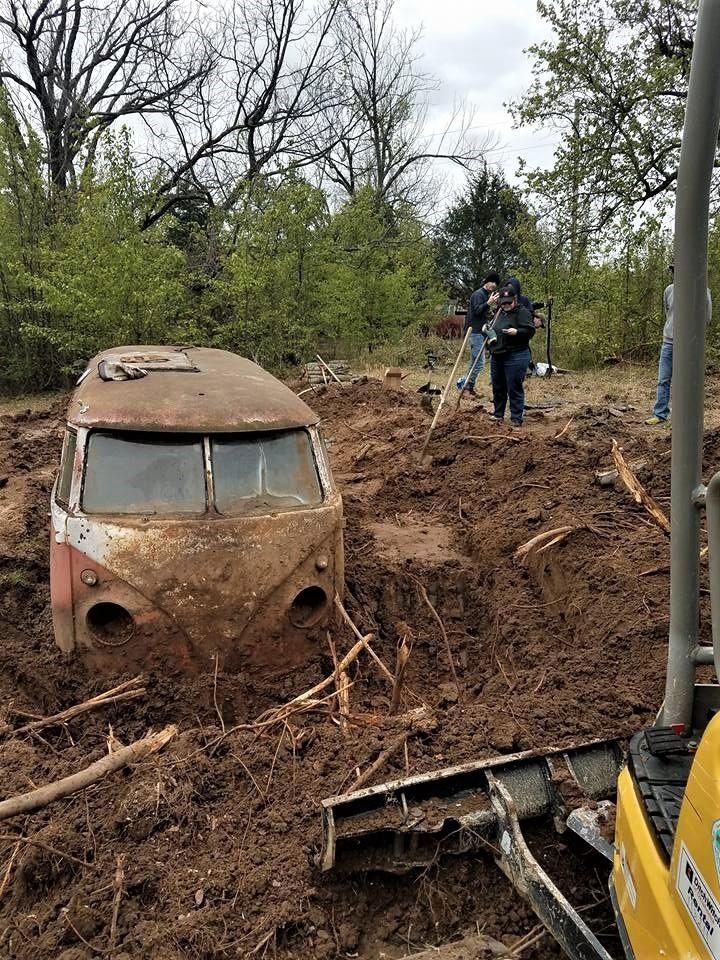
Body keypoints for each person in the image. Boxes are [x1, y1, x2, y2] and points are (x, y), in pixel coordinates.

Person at [645, 264, 712, 425]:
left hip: (689, 345)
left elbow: (707, 316)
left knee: (686, 380)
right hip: (668, 342)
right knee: (663, 379)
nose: (676, 274)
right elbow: (669, 313)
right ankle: (660, 414)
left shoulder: (702, 290)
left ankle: (686, 416)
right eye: (674, 271)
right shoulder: (669, 290)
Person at [486, 284, 536, 426]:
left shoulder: (523, 312)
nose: (506, 305)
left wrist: (517, 332)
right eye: (503, 302)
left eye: (509, 302)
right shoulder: (499, 312)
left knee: (514, 386)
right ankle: (498, 414)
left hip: (516, 355)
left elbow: (530, 331)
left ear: (515, 299)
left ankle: (516, 418)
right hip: (497, 354)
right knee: (498, 386)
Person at [458, 271, 501, 395]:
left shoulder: (486, 295)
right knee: (480, 362)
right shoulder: (478, 294)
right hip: (475, 332)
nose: (493, 285)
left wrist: (490, 310)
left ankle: (466, 386)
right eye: (492, 282)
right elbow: (476, 311)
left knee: (473, 362)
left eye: (495, 284)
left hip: (480, 332)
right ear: (486, 282)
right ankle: (468, 387)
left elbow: (483, 312)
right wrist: (488, 303)